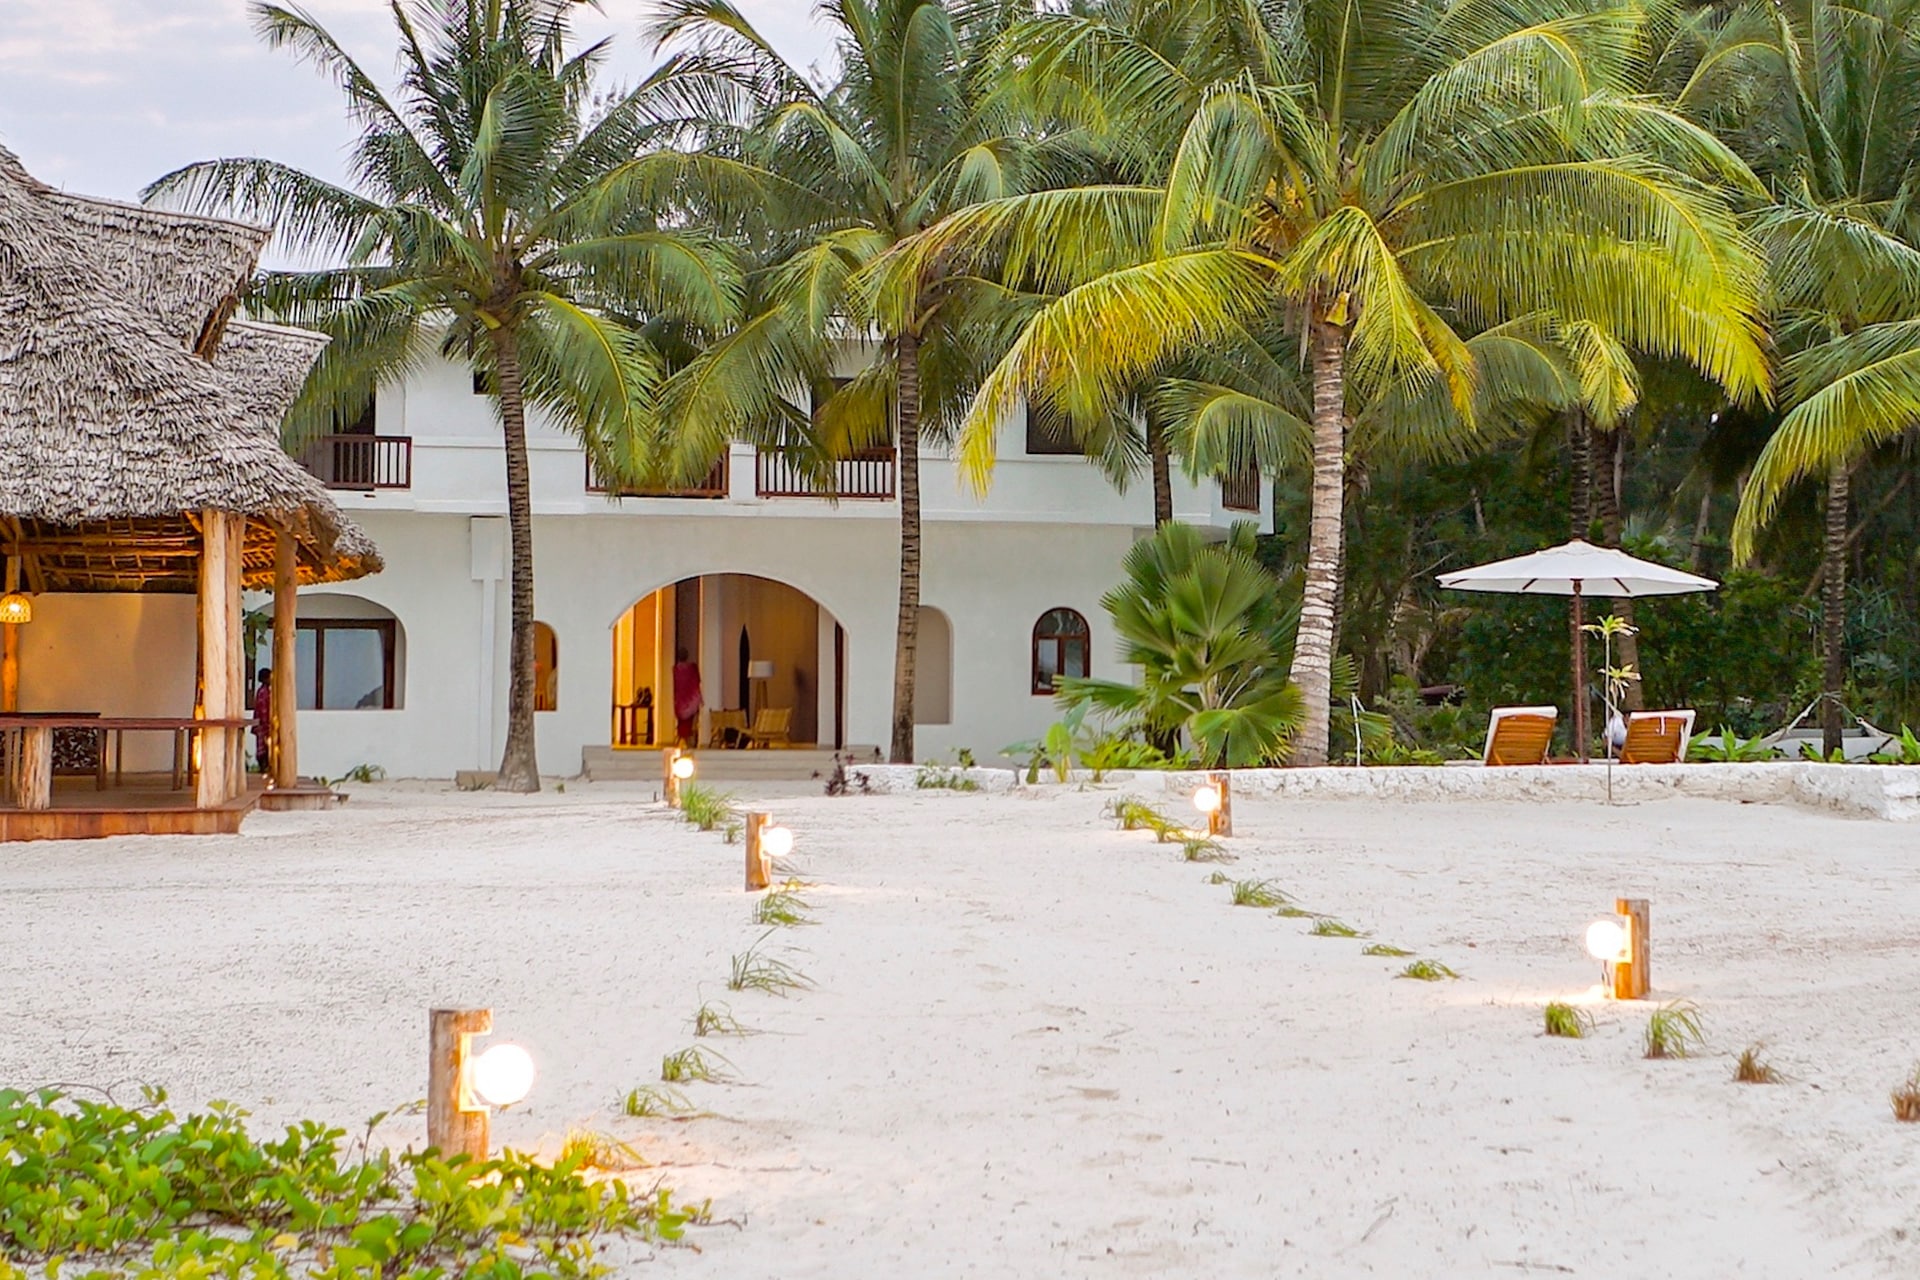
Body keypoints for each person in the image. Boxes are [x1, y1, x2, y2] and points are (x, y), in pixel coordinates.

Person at [671, 648, 703, 746]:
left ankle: (683, 740)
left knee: (684, 724)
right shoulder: (692, 668)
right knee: (687, 724)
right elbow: (697, 681)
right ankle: (686, 741)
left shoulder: (676, 670)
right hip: (690, 701)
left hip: (681, 701)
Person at [252, 667, 273, 774]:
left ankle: (265, 768)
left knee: (264, 748)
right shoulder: (263, 692)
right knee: (264, 749)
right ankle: (263, 769)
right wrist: (267, 725)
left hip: (263, 725)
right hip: (263, 725)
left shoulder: (263, 691)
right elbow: (263, 710)